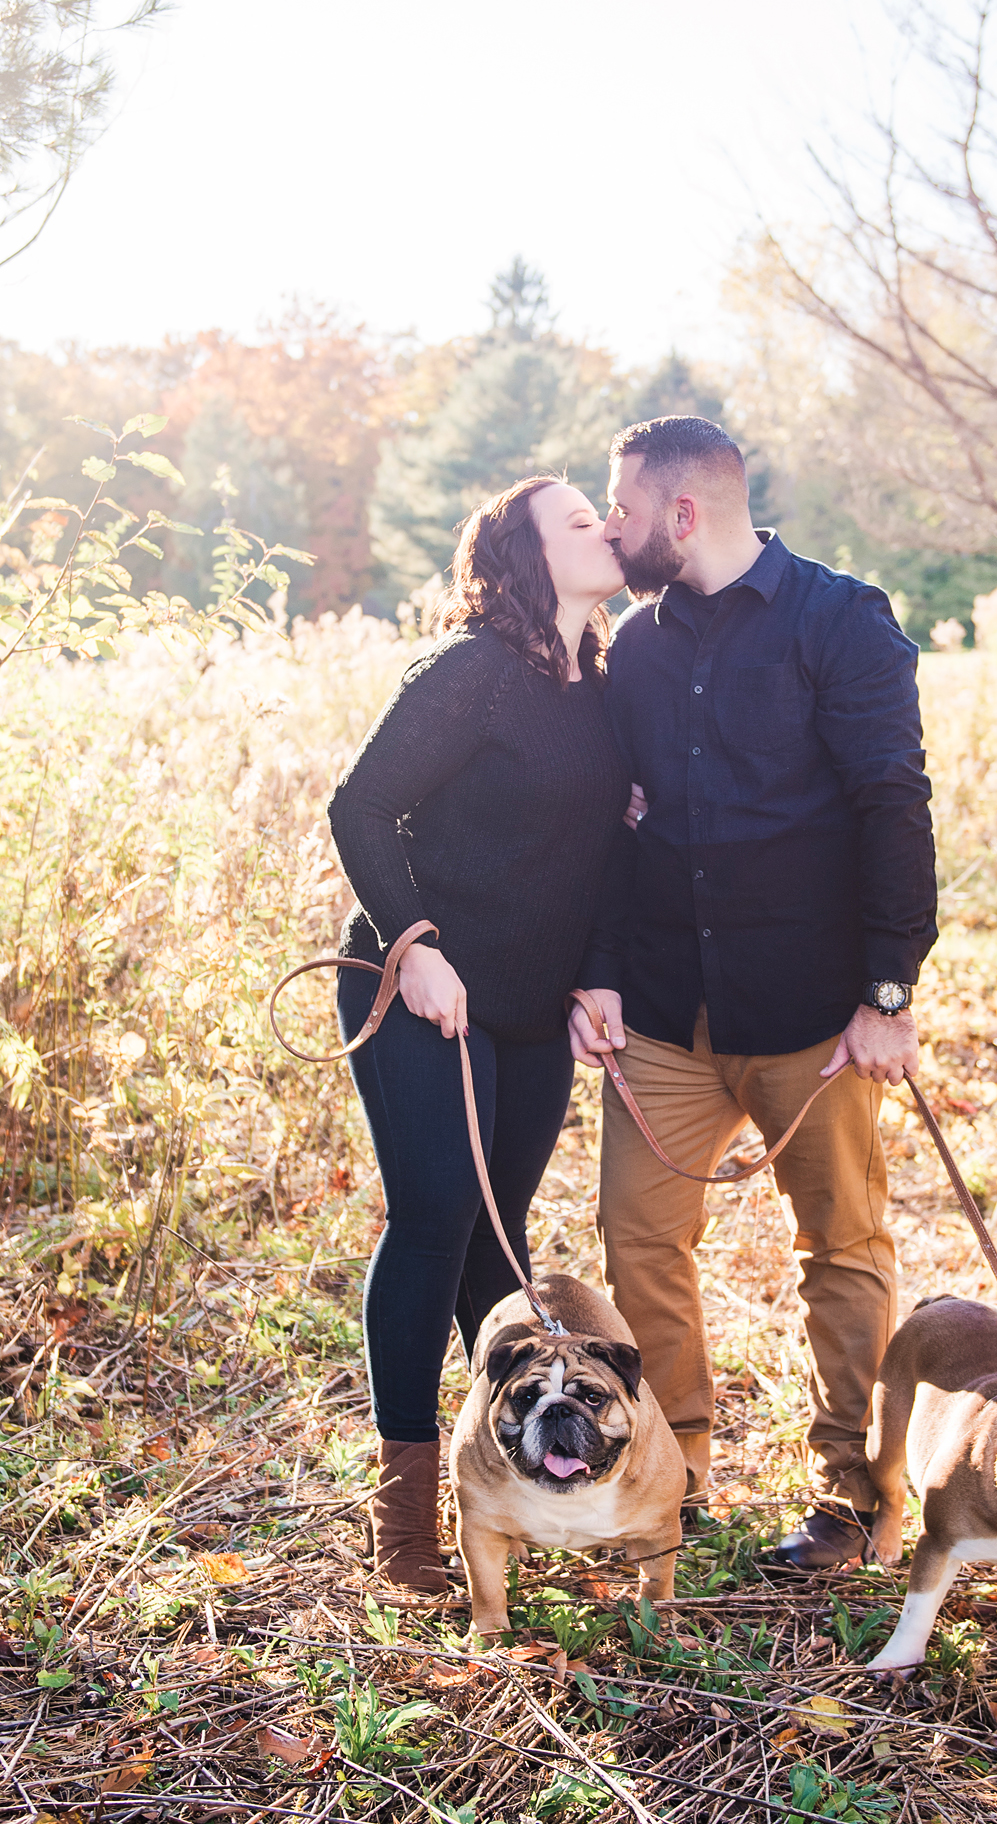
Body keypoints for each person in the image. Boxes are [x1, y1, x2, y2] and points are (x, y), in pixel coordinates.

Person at [568, 415, 937, 1569]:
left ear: (682, 513)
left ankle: (854, 1497)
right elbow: (612, 826)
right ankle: (672, 1469)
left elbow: (892, 800)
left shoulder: (841, 620)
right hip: (667, 1014)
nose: (611, 529)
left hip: (814, 1014)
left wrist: (885, 989)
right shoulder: (636, 647)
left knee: (840, 1245)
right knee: (637, 1243)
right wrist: (599, 968)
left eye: (621, 509)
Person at [329, 476, 628, 1593]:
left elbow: (606, 856)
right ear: (522, 556)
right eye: (576, 519)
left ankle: (500, 1465)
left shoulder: (600, 682)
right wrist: (412, 942)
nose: (602, 526)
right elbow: (357, 803)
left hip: (530, 1007)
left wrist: (595, 980)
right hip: (414, 989)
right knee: (437, 1215)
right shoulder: (471, 673)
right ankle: (404, 1515)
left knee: (498, 1240)